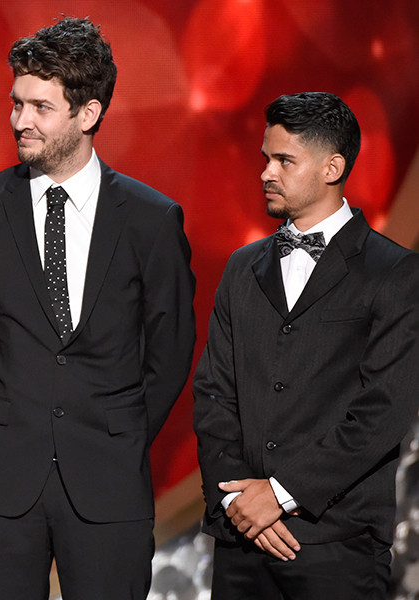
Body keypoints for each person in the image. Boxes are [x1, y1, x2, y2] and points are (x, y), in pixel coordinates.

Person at [0, 16, 196, 599]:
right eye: (17, 103)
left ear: (88, 113)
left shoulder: (151, 220)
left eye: (40, 108)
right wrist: (7, 423)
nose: (20, 121)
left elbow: (170, 350)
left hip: (110, 484)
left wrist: (120, 433)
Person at [194, 92, 419, 599]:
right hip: (240, 540)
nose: (266, 173)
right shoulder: (241, 267)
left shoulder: (394, 272)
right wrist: (236, 501)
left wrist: (280, 494)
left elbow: (383, 411)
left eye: (284, 161)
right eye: (265, 158)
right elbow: (214, 393)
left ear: (332, 168)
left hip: (337, 544)